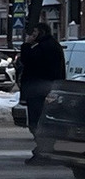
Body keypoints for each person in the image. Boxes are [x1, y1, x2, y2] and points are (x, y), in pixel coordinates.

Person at [19, 22, 67, 153]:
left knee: (37, 121)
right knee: (39, 120)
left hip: (40, 89)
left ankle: (44, 149)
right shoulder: (50, 45)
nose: (32, 35)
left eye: (35, 33)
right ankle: (44, 148)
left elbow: (28, 60)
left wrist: (26, 45)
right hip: (45, 88)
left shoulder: (44, 47)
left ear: (41, 32)